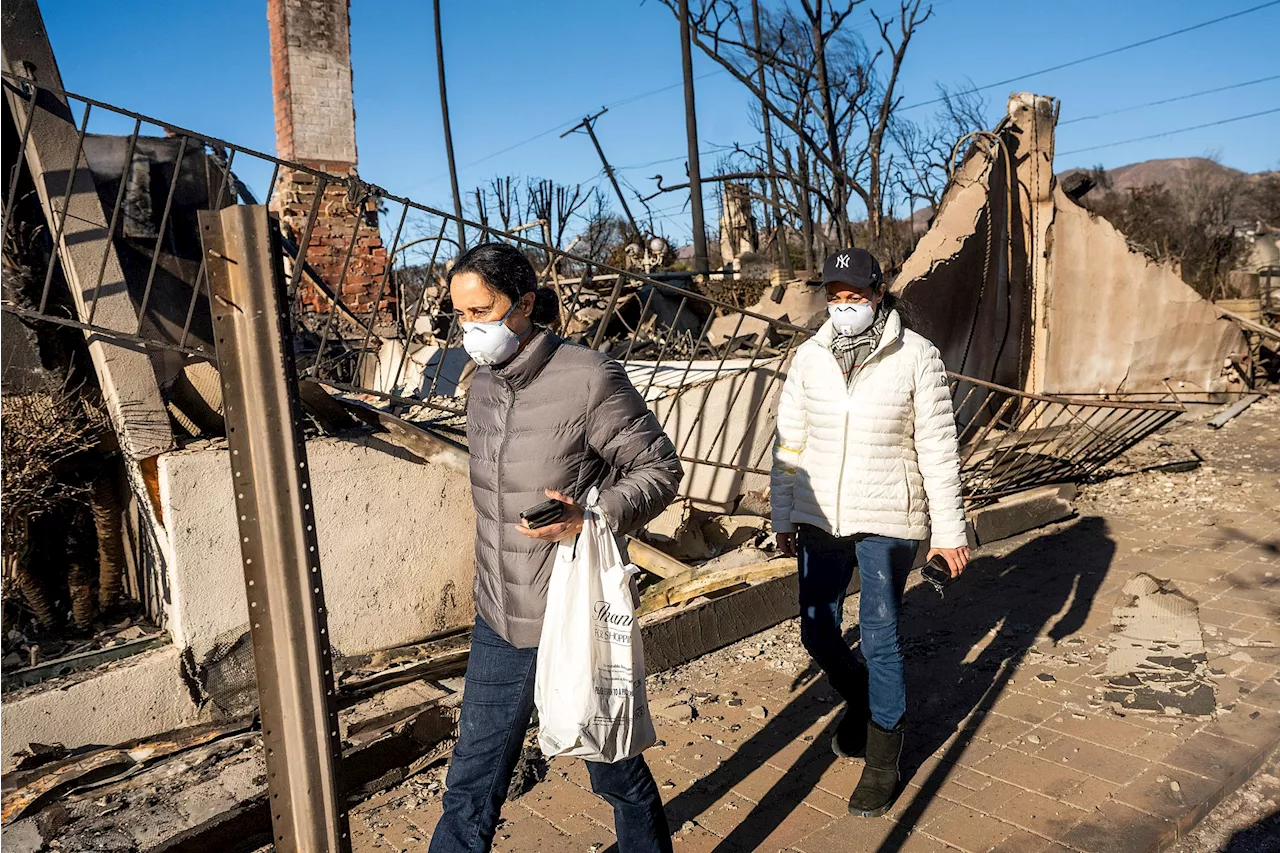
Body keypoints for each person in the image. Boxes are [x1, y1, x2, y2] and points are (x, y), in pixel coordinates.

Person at [429, 242, 682, 853]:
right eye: (461, 315)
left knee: (613, 771)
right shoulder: (481, 384)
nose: (471, 329)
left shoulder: (589, 376)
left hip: (569, 615)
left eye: (482, 312)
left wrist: (589, 516)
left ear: (526, 305)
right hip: (498, 613)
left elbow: (659, 468)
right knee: (471, 780)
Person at [770, 247, 970, 818]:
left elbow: (938, 449)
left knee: (881, 636)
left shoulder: (916, 356)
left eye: (853, 297)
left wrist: (949, 531)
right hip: (819, 517)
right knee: (818, 633)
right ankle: (860, 699)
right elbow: (789, 444)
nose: (843, 307)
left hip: (889, 516)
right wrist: (783, 516)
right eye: (834, 298)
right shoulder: (809, 357)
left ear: (878, 294)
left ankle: (885, 757)